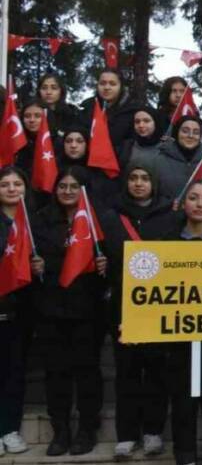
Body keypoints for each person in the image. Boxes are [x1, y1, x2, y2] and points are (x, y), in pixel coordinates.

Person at [142, 180, 202, 465]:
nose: (199, 204)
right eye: (193, 198)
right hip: (178, 341)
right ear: (184, 204)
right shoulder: (165, 242)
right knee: (183, 401)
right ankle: (184, 456)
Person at [30, 167, 119, 456]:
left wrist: (106, 267)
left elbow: (115, 262)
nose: (67, 191)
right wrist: (36, 268)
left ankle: (86, 430)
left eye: (73, 186)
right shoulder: (40, 221)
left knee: (87, 373)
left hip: (88, 310)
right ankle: (61, 430)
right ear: (55, 190)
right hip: (50, 310)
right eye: (62, 186)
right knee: (56, 374)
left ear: (83, 190)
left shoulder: (98, 221)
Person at [108, 160, 171, 460]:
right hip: (123, 308)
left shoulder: (170, 216)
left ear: (154, 182)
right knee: (127, 373)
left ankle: (153, 432)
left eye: (145, 178)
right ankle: (126, 434)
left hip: (158, 308)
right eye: (133, 178)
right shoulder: (112, 216)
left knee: (156, 372)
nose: (138, 183)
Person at [0, 168, 31, 456]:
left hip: (22, 311)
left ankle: (9, 429)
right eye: (5, 184)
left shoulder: (33, 221)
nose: (11, 189)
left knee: (14, 373)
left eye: (17, 184)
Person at [77, 69, 138, 152]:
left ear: (121, 87)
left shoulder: (133, 112)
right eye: (102, 83)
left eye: (112, 84)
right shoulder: (87, 107)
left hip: (119, 161)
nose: (107, 87)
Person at [155, 117, 202, 202]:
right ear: (176, 133)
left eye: (196, 132)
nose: (190, 136)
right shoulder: (159, 160)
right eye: (185, 131)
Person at [36, 74, 77, 142]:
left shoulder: (71, 114)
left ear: (61, 91)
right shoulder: (33, 113)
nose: (48, 92)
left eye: (54, 88)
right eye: (44, 88)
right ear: (39, 91)